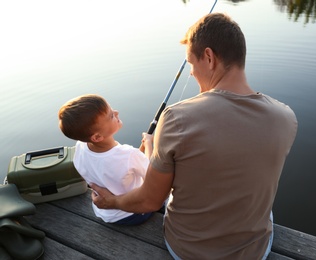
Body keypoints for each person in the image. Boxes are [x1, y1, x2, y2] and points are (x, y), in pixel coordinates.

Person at [90, 13, 298, 259]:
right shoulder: (286, 117)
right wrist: (158, 148)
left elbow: (149, 202)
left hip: (187, 251)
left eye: (191, 65)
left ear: (209, 58)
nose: (191, 75)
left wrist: (110, 202)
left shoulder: (177, 118)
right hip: (256, 252)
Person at [58, 94, 153, 225]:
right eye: (111, 116)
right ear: (97, 137)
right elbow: (153, 177)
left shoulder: (80, 147)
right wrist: (148, 143)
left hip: (104, 212)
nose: (116, 112)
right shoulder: (129, 154)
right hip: (131, 214)